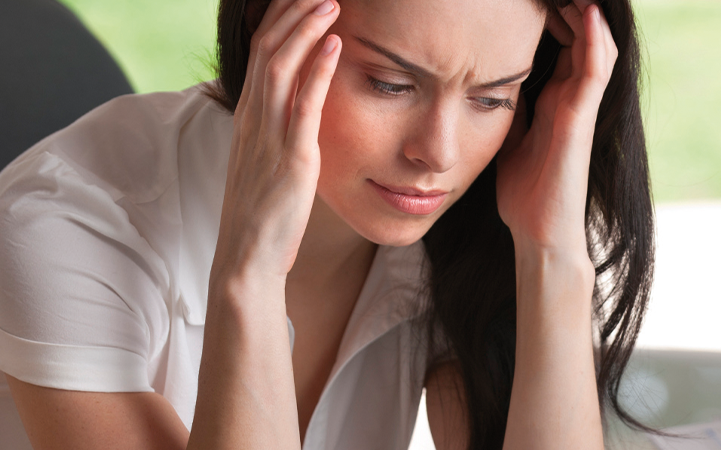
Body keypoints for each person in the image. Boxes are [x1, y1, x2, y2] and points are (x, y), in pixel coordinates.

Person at [0, 0, 654, 448]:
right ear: (273, 33)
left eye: (492, 97)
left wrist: (551, 253)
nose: (440, 154)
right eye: (390, 84)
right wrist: (250, 272)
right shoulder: (65, 228)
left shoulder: (459, 227)